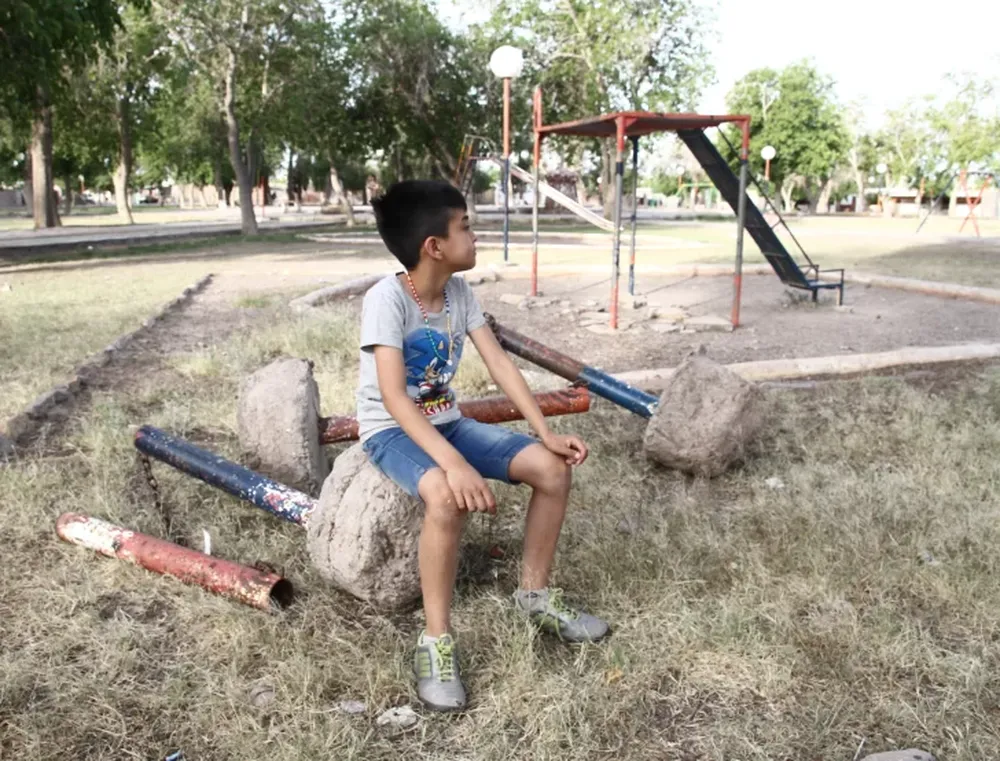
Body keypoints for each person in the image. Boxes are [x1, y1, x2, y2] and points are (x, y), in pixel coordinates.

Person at [358, 180, 609, 712]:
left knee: (551, 470)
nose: (476, 235)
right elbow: (394, 399)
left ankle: (535, 596)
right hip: (390, 431)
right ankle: (436, 642)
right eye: (466, 226)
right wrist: (454, 466)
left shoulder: (458, 293)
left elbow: (498, 363)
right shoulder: (386, 299)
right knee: (446, 499)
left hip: (446, 421)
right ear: (435, 246)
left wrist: (545, 433)